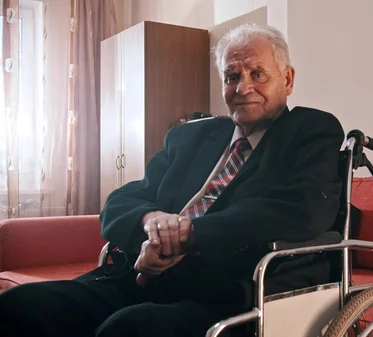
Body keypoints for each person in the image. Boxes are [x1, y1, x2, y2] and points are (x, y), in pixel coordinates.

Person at [0, 24, 344, 337]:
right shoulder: (191, 137)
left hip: (221, 290)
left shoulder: (311, 131)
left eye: (258, 74)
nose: (243, 88)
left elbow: (303, 209)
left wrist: (186, 235)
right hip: (136, 275)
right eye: (231, 76)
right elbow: (123, 200)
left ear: (287, 79)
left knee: (128, 330)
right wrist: (152, 221)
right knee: (21, 304)